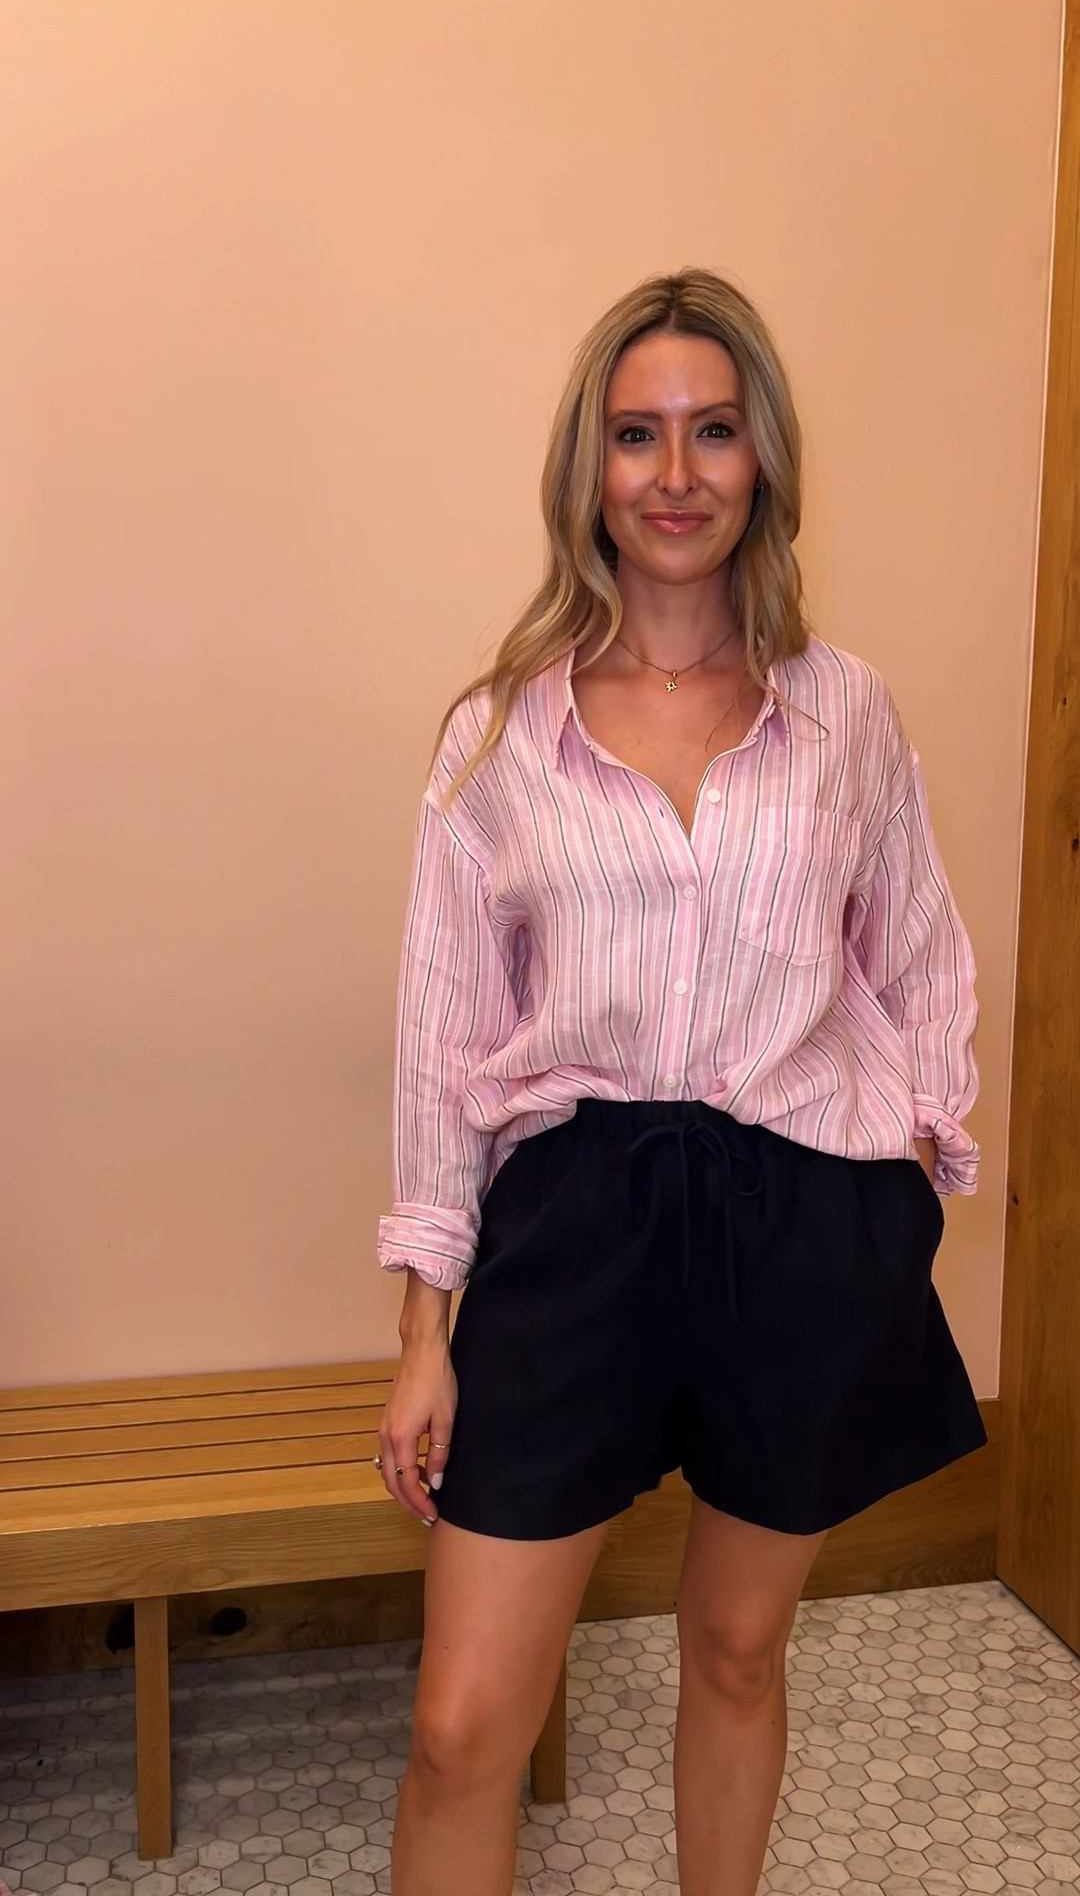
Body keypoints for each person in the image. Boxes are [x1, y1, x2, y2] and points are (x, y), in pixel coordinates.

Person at [373, 268, 987, 1896]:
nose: (674, 473)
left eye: (713, 431)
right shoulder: (498, 737)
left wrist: (909, 1180)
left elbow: (922, 955)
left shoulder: (846, 714)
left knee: (733, 1650)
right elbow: (440, 1039)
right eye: (636, 434)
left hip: (802, 1216)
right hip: (578, 1219)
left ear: (762, 458)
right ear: (589, 467)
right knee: (459, 1726)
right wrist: (427, 1333)